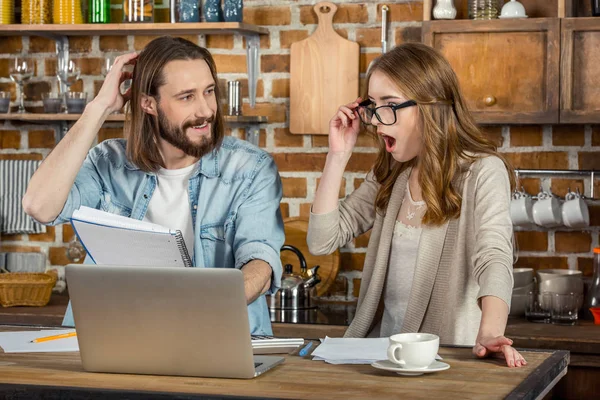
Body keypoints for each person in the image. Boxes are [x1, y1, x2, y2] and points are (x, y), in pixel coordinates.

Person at [22, 36, 284, 335]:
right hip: (114, 335)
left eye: (209, 91)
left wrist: (201, 307)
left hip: (213, 336)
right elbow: (39, 206)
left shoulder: (250, 169)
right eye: (186, 97)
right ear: (148, 103)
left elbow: (260, 261)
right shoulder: (107, 163)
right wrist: (99, 108)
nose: (205, 110)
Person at [307, 43, 525, 367]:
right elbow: (321, 240)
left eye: (390, 105)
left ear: (429, 106)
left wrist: (490, 332)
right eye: (373, 106)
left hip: (444, 360)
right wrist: (337, 155)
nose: (377, 122)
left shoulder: (482, 171)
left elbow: (493, 256)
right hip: (381, 357)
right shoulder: (390, 174)